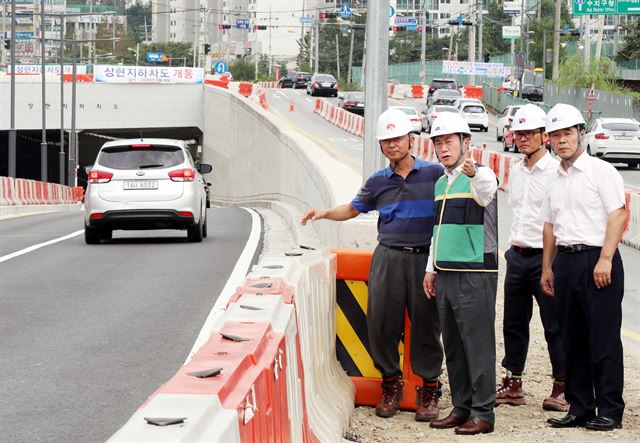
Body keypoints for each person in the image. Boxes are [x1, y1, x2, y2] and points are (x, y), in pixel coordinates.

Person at [301, 108, 445, 421]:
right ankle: (390, 385)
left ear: (410, 139)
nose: (392, 145)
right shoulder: (378, 182)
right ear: (380, 146)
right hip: (388, 257)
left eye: (397, 139)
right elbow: (353, 209)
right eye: (386, 141)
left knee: (426, 325)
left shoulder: (434, 175)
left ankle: (429, 390)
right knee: (381, 323)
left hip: (424, 259)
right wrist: (324, 213)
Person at [540, 103, 627, 431]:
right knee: (570, 338)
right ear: (549, 140)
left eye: (567, 133)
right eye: (556, 135)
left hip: (597, 261)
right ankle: (580, 406)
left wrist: (605, 258)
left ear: (581, 134)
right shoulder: (554, 178)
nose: (562, 140)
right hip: (566, 262)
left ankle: (609, 409)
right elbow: (549, 226)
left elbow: (617, 214)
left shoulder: (600, 172)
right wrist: (548, 268)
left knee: (602, 338)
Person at [423, 113, 499, 435]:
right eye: (438, 143)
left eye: (449, 142)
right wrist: (430, 268)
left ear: (466, 143)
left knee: (478, 345)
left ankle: (483, 413)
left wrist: (475, 171)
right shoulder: (442, 182)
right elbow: (437, 230)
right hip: (446, 272)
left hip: (475, 272)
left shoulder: (482, 174)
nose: (443, 148)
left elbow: (486, 193)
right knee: (453, 345)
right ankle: (462, 407)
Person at [496, 104, 568, 412]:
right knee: (513, 323)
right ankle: (513, 383)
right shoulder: (516, 169)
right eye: (519, 133)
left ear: (544, 137)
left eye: (529, 134)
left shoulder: (557, 172)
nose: (523, 139)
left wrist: (550, 264)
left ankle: (563, 387)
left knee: (555, 325)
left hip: (547, 259)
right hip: (517, 256)